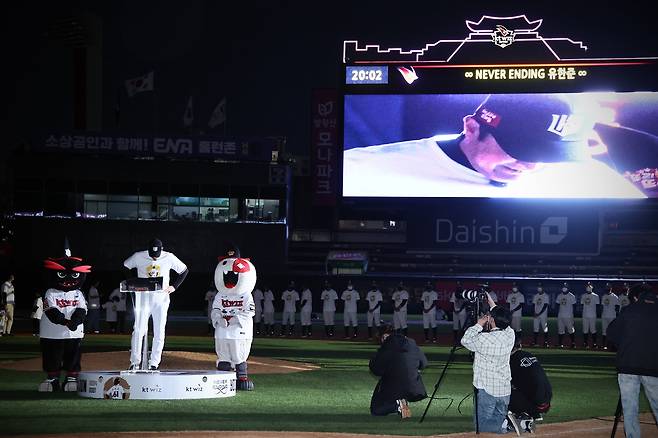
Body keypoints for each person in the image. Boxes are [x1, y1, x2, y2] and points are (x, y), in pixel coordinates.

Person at [343, 93, 647, 199]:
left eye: (552, 157)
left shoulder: (595, 182)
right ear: (472, 128)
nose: (531, 165)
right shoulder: (360, 170)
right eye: (523, 150)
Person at [123, 238, 188, 370]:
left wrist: (173, 286)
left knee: (159, 331)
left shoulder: (169, 257)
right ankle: (135, 362)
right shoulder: (138, 256)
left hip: (161, 299)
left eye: (156, 255)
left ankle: (154, 363)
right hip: (143, 298)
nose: (154, 258)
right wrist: (133, 282)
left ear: (161, 250)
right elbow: (125, 265)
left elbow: (184, 270)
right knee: (138, 329)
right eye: (152, 255)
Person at [607, 283, 658, 438]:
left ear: (635, 297)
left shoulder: (629, 310)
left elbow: (612, 333)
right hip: (653, 366)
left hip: (628, 365)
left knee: (630, 409)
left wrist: (624, 345)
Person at [39, 240, 90, 392]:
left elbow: (82, 310)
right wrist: (66, 321)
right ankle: (53, 379)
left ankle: (71, 378)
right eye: (62, 274)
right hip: (52, 333)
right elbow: (51, 311)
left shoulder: (78, 293)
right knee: (52, 356)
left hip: (73, 333)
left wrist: (75, 321)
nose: (68, 279)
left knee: (73, 356)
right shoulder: (50, 292)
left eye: (73, 275)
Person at [461, 296, 516, 434]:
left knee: (482, 426)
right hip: (504, 389)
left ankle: (511, 424)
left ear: (491, 320)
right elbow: (503, 320)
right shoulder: (510, 335)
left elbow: (465, 340)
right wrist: (490, 300)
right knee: (498, 419)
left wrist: (479, 324)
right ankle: (507, 423)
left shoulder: (483, 339)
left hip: (487, 389)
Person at [369, 325, 428, 418]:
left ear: (384, 336)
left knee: (376, 409)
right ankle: (401, 400)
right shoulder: (411, 342)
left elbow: (376, 370)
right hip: (414, 388)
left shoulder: (386, 345)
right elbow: (424, 363)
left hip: (394, 385)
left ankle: (397, 405)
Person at [508, 342, 552, 432]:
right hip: (546, 403)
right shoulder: (529, 355)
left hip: (535, 403)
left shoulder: (511, 360)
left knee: (503, 391)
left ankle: (523, 417)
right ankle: (535, 413)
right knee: (527, 384)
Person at [555, 282, 577, 348]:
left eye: (565, 287)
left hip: (569, 315)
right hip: (560, 315)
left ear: (568, 288)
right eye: (563, 287)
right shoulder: (559, 295)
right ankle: (560, 343)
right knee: (560, 330)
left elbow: (574, 306)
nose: (564, 288)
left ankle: (573, 343)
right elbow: (557, 304)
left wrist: (573, 314)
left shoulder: (571, 296)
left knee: (570, 329)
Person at [580, 282, 600, 349]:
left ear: (592, 287)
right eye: (587, 286)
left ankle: (594, 343)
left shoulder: (596, 296)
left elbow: (597, 306)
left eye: (589, 286)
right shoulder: (583, 296)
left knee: (593, 330)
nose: (588, 287)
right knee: (585, 330)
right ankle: (585, 343)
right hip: (585, 315)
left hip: (592, 315)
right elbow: (582, 305)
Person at [600, 283, 620, 350]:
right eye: (607, 288)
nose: (608, 289)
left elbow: (617, 307)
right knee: (604, 331)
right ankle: (604, 345)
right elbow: (602, 306)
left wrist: (616, 316)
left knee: (612, 331)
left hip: (612, 316)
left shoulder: (615, 297)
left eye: (609, 288)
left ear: (611, 288)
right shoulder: (604, 296)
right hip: (604, 316)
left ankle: (612, 345)